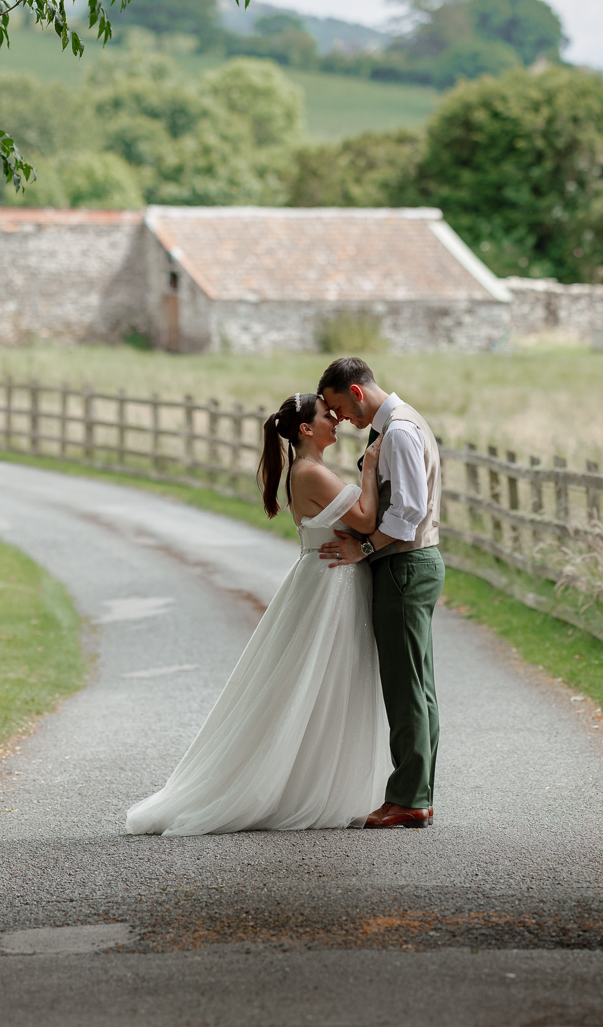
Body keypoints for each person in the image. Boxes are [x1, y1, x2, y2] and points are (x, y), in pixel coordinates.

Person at [125, 392, 389, 835]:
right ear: (306, 429)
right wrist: (368, 471)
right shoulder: (309, 473)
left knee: (327, 683)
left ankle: (324, 780)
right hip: (329, 586)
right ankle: (297, 787)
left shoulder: (310, 470)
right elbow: (364, 518)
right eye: (328, 416)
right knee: (312, 683)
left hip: (330, 580)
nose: (336, 422)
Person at [316, 357, 444, 830]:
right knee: (417, 685)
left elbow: (408, 510)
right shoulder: (398, 424)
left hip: (404, 565)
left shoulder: (400, 431)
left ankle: (410, 798)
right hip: (409, 563)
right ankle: (416, 794)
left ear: (355, 390)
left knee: (405, 686)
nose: (341, 419)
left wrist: (364, 546)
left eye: (338, 408)